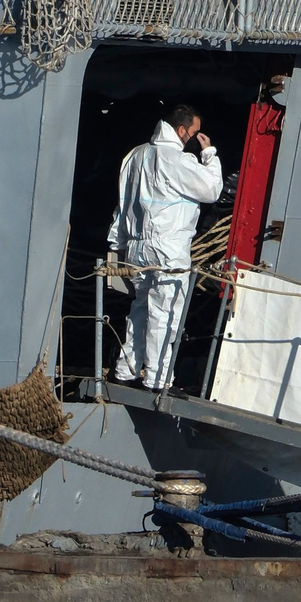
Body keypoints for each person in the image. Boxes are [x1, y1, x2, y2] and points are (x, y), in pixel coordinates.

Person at [107, 104, 222, 393]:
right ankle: (157, 379)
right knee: (165, 314)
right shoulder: (177, 159)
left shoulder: (134, 156)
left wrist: (117, 244)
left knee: (140, 309)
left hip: (136, 248)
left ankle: (125, 370)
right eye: (194, 133)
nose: (195, 137)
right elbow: (211, 190)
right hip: (168, 248)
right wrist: (209, 155)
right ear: (182, 131)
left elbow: (123, 203)